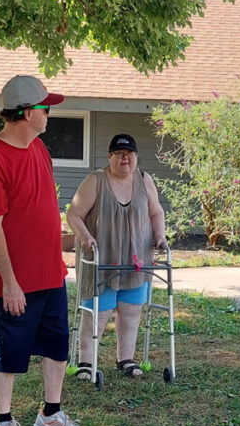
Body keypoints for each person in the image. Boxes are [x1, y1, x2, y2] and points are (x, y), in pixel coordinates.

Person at [0, 74, 87, 426]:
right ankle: (5, 421)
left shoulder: (39, 149)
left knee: (56, 346)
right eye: (44, 108)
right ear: (24, 113)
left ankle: (50, 414)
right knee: (6, 352)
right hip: (11, 281)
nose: (49, 114)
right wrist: (10, 282)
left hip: (50, 273)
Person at [65, 133, 167, 379]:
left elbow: (156, 213)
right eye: (120, 154)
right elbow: (74, 214)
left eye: (130, 154)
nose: (125, 159)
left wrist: (160, 236)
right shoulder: (96, 180)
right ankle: (86, 363)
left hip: (136, 260)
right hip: (102, 258)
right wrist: (84, 236)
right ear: (109, 156)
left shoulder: (144, 179)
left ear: (136, 157)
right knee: (98, 313)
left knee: (131, 311)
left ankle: (126, 359)